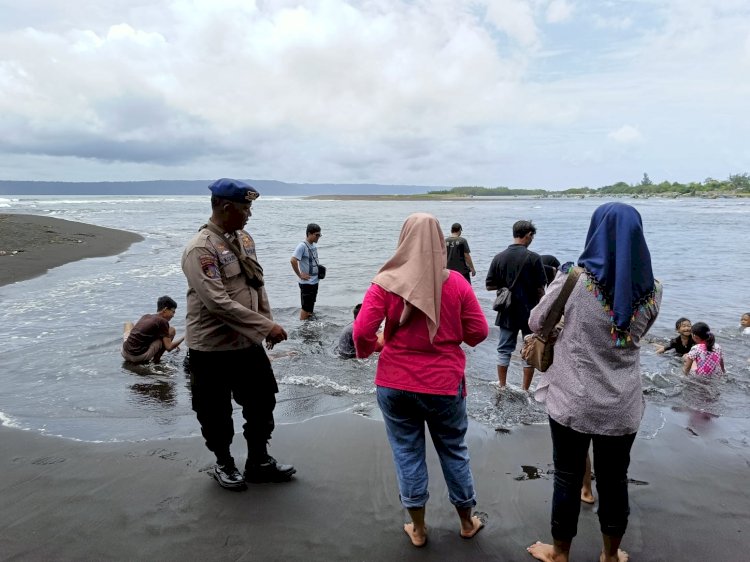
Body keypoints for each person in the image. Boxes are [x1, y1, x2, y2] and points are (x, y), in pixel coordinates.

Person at [527, 202, 662, 562]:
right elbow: (637, 332)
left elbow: (537, 321)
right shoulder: (653, 291)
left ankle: (559, 553)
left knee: (567, 477)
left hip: (572, 400)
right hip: (623, 405)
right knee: (615, 481)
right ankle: (610, 554)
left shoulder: (573, 280)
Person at [353, 213, 489, 548]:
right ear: (440, 243)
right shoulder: (456, 283)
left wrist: (372, 347)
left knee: (406, 453)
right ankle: (466, 522)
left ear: (404, 240)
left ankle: (418, 528)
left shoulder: (385, 282)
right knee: (454, 451)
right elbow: (479, 333)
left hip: (395, 382)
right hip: (444, 385)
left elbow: (361, 333)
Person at [181, 178, 295, 491]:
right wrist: (265, 326)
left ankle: (258, 460)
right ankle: (224, 463)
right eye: (246, 207)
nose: (249, 214)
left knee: (263, 401)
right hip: (212, 349)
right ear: (226, 207)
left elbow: (257, 283)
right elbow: (217, 303)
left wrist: (266, 322)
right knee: (214, 412)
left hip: (246, 344)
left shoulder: (243, 239)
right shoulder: (200, 249)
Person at [486, 220, 547, 390]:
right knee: (529, 351)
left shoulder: (499, 257)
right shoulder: (534, 258)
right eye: (532, 236)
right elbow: (540, 288)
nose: (532, 239)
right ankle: (525, 389)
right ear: (528, 235)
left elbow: (489, 285)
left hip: (507, 311)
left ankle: (502, 386)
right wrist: (544, 310)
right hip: (530, 312)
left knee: (504, 349)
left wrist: (505, 287)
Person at [121, 295, 184, 364]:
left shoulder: (146, 316)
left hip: (125, 352)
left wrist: (170, 341)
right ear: (165, 309)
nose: (173, 315)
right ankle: (156, 360)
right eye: (173, 311)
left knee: (128, 324)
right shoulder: (163, 321)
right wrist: (185, 336)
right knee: (171, 330)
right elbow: (169, 347)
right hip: (138, 357)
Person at [291, 223, 323, 320]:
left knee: (311, 305)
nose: (318, 237)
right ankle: (303, 329)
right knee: (305, 308)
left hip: (315, 281)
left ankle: (309, 325)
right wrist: (300, 275)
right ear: (309, 233)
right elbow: (293, 260)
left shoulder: (313, 245)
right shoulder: (302, 246)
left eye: (319, 235)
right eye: (317, 235)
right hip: (307, 283)